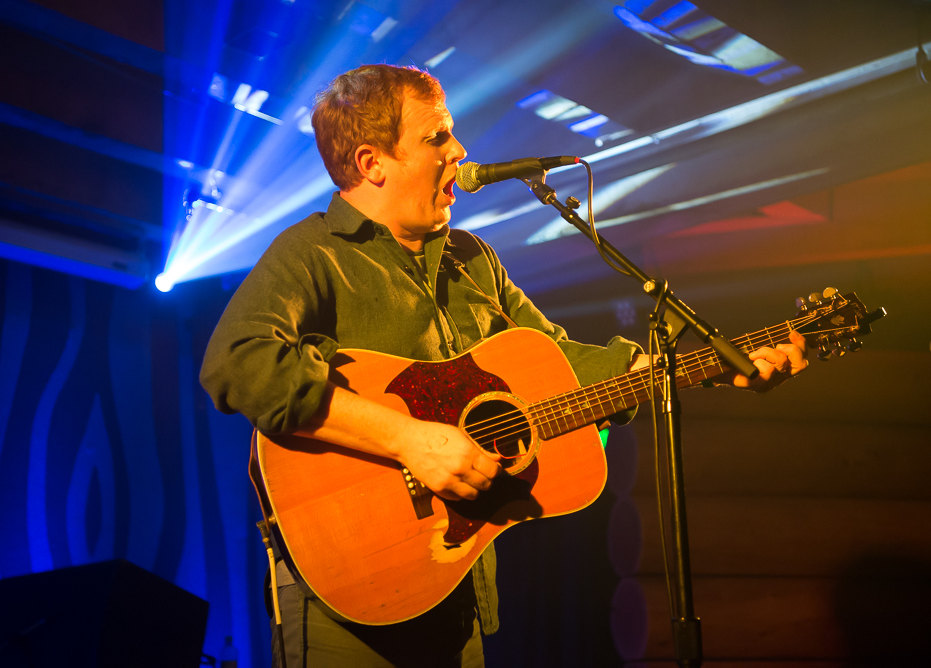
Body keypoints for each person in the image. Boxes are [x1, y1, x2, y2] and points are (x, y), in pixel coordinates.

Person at [199, 64, 808, 668]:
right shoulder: (313, 254)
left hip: (455, 580)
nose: (460, 151)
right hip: (346, 596)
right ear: (371, 163)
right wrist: (410, 440)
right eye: (436, 137)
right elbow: (236, 361)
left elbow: (558, 362)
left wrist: (705, 363)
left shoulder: (473, 260)